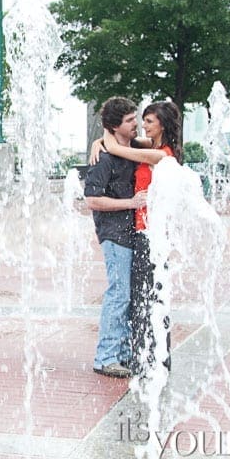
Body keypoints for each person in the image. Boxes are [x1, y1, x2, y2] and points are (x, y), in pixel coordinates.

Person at [99, 101, 182, 377]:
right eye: (141, 120)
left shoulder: (163, 156)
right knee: (142, 297)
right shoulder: (152, 148)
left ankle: (156, 359)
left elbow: (117, 148)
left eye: (149, 122)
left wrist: (105, 138)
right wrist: (97, 142)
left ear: (162, 125)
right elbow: (118, 145)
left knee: (151, 296)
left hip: (152, 234)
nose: (143, 126)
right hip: (142, 232)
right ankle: (145, 355)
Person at [83, 97, 147, 378]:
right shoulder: (103, 159)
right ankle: (106, 357)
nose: (137, 125)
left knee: (128, 296)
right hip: (114, 235)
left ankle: (121, 354)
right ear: (114, 125)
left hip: (130, 234)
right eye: (131, 121)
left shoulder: (127, 149)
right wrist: (130, 203)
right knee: (118, 295)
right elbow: (92, 200)